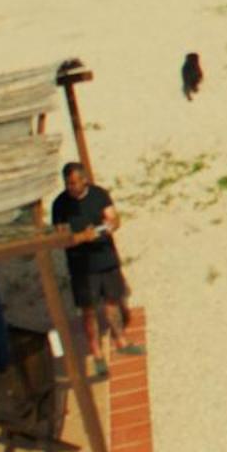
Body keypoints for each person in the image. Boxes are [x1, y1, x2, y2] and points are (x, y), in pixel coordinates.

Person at [50, 161, 142, 379]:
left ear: (84, 180)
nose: (71, 187)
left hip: (105, 258)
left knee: (112, 302)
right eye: (68, 183)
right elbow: (61, 238)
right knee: (89, 310)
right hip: (82, 266)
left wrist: (110, 225)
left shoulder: (99, 194)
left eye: (74, 182)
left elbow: (114, 218)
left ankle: (121, 340)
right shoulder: (60, 205)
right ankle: (97, 353)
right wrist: (82, 237)